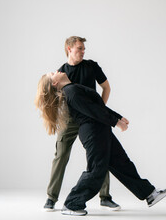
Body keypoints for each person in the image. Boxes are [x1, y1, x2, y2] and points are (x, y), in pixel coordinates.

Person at [35, 71, 166, 216]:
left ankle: (149, 194)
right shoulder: (71, 92)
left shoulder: (73, 88)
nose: (58, 71)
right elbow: (94, 111)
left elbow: (98, 106)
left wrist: (118, 117)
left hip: (100, 129)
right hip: (93, 132)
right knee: (96, 170)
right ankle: (72, 204)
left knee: (122, 163)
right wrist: (116, 122)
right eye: (54, 73)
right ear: (55, 83)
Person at [43, 36, 119, 211]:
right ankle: (51, 198)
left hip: (90, 119)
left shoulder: (91, 66)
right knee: (60, 156)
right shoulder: (60, 72)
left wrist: (99, 111)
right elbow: (52, 99)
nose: (83, 51)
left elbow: (106, 87)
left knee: (100, 154)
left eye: (84, 48)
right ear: (69, 49)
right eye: (79, 48)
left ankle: (105, 196)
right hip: (70, 120)